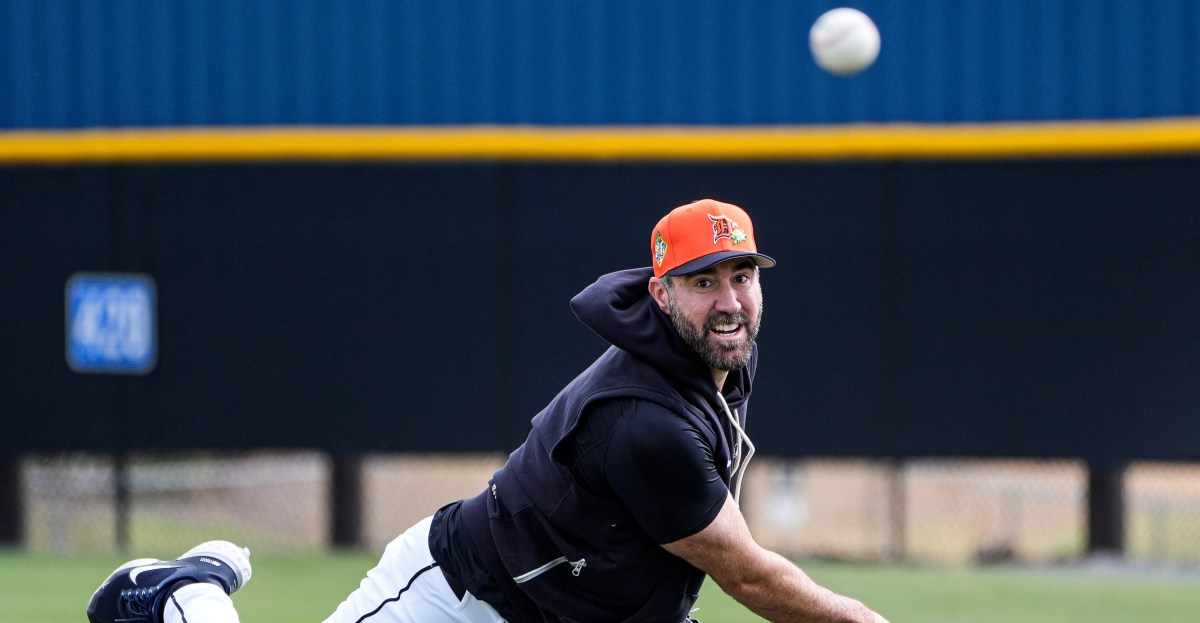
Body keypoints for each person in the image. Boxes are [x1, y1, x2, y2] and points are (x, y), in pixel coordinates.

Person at [88, 199, 889, 623]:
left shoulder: (721, 354)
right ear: (661, 292)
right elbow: (748, 572)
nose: (730, 299)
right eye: (705, 280)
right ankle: (186, 594)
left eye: (743, 274)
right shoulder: (645, 424)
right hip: (461, 598)